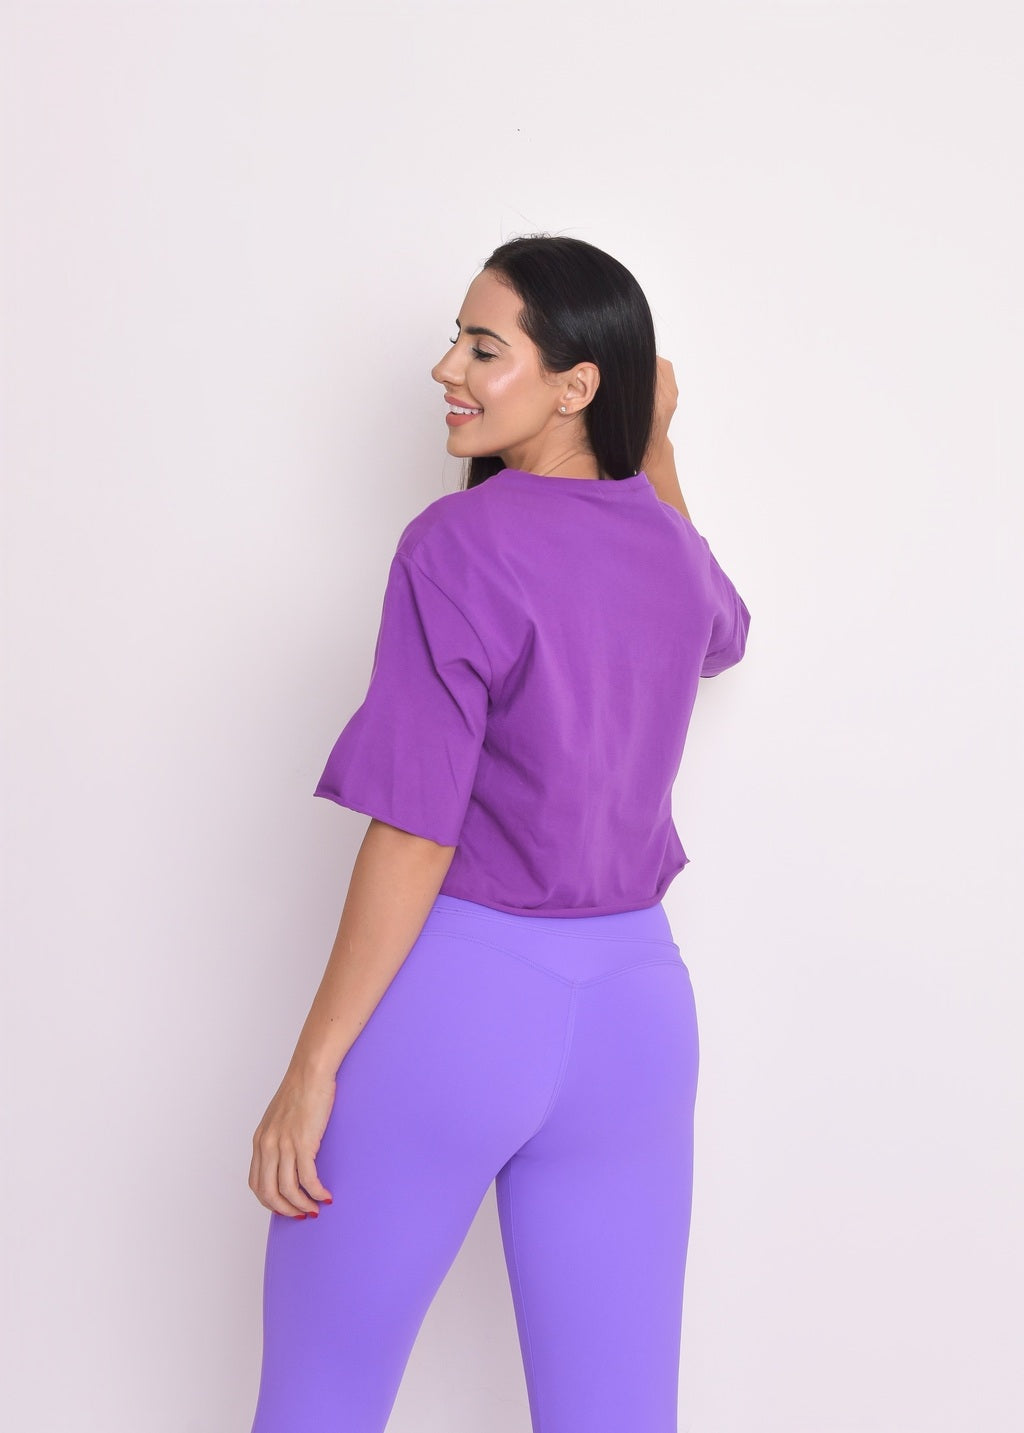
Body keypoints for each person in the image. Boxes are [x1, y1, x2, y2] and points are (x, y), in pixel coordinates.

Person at [247, 234, 751, 1433]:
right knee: (618, 1414)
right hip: (637, 1015)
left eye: (485, 347)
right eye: (456, 341)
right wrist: (654, 444)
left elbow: (416, 828)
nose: (447, 369)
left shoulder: (456, 542)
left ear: (575, 385)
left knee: (322, 1398)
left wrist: (313, 1066)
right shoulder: (668, 548)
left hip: (464, 1004)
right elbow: (723, 631)